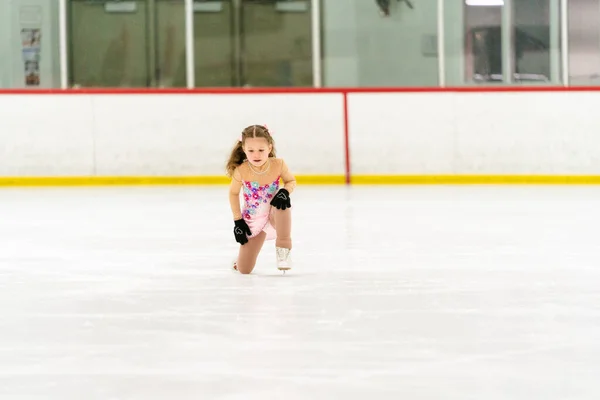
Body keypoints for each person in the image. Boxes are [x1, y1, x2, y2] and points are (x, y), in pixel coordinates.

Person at [226, 124, 296, 274]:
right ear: (244, 149)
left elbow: (291, 181)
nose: (256, 155)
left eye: (261, 150)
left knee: (282, 204)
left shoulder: (278, 164)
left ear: (269, 148)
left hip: (274, 215)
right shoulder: (241, 171)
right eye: (251, 151)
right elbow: (233, 194)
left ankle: (283, 251)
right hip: (253, 220)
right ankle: (240, 261)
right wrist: (238, 220)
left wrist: (285, 191)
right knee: (244, 270)